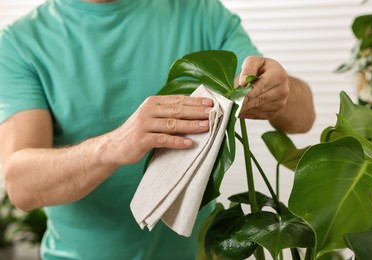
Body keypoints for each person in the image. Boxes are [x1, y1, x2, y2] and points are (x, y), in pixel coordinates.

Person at [0, 0, 315, 259]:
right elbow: (21, 186)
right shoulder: (21, 43)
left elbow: (303, 119)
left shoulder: (201, 13)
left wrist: (279, 91)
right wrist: (111, 147)